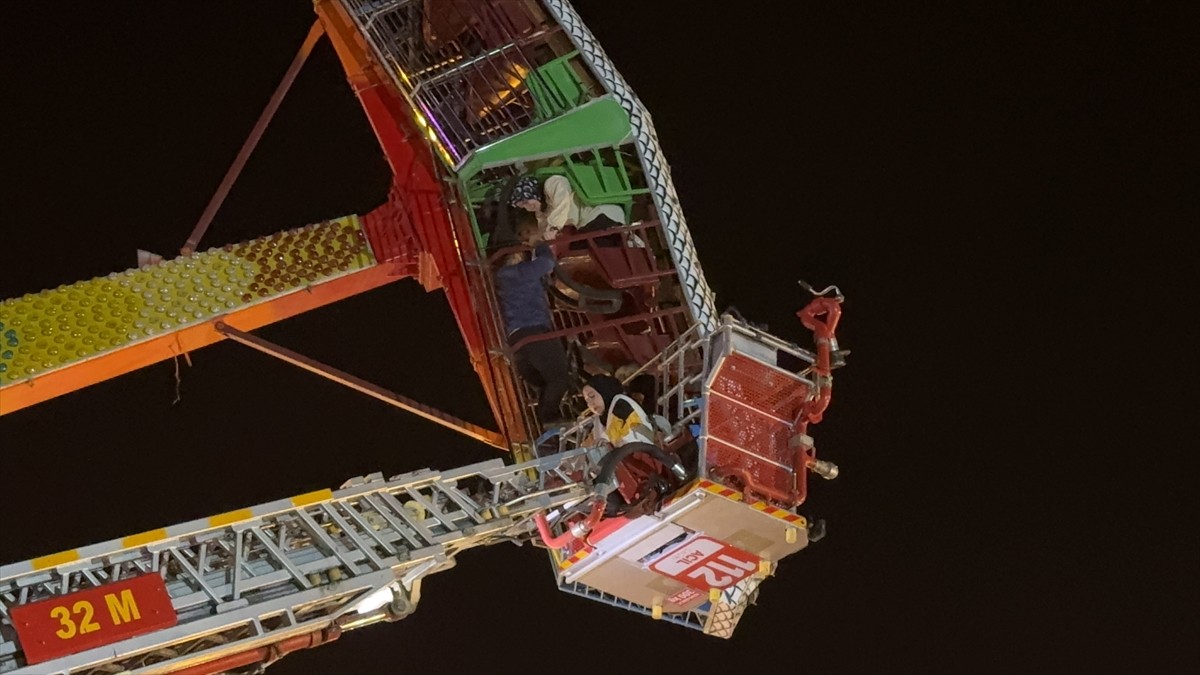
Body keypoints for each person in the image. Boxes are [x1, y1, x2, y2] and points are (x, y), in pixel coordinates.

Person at [494, 217, 570, 428]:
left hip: (519, 337)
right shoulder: (515, 273)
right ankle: (550, 419)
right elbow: (546, 263)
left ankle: (548, 420)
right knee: (559, 377)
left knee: (547, 383)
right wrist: (540, 243)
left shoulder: (506, 277)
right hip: (533, 330)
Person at [509, 174, 629, 244]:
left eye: (526, 200)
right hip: (586, 225)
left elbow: (563, 201)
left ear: (531, 192)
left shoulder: (553, 183)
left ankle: (635, 244)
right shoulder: (541, 213)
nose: (527, 206)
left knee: (587, 245)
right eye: (522, 206)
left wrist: (554, 227)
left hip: (601, 213)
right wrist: (537, 240)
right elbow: (544, 229)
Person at [580, 374, 656, 448]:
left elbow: (633, 436)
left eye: (592, 396)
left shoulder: (621, 404)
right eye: (587, 401)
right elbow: (587, 447)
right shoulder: (599, 421)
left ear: (604, 391)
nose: (590, 404)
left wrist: (609, 446)